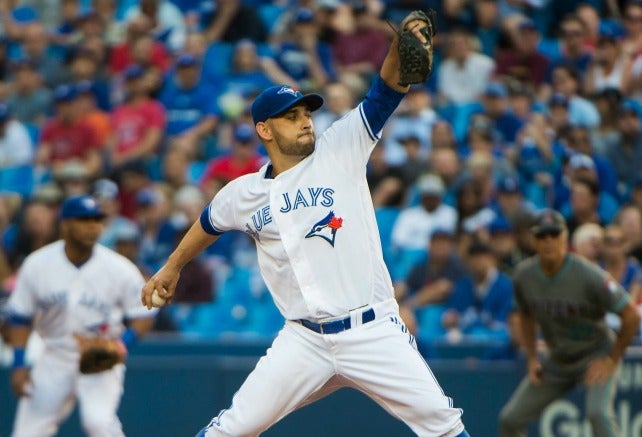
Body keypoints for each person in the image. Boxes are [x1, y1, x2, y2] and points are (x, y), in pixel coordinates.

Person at [141, 13, 470, 437]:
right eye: (290, 116)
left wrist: (397, 48)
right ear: (264, 129)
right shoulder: (243, 193)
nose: (304, 120)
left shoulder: (339, 149)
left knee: (444, 427)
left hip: (370, 330)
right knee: (228, 431)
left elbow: (384, 92)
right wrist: (172, 267)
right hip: (304, 341)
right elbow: (208, 222)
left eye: (304, 112)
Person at [6, 195, 157, 437]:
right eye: (84, 220)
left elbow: (143, 315)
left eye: (97, 220)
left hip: (100, 356)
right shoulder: (37, 264)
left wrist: (120, 346)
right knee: (28, 432)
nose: (92, 226)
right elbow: (20, 317)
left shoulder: (119, 268)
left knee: (98, 423)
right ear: (65, 224)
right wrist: (18, 363)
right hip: (55, 355)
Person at [498, 209, 641, 437]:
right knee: (510, 419)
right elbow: (524, 314)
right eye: (542, 236)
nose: (548, 242)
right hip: (558, 360)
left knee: (598, 414)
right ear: (533, 240)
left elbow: (632, 315)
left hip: (595, 355)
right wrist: (533, 357)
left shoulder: (588, 274)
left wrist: (612, 358)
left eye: (554, 235)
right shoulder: (524, 276)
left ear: (565, 238)